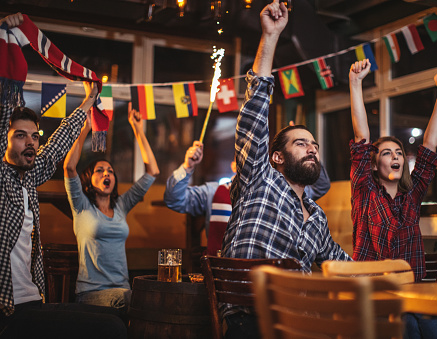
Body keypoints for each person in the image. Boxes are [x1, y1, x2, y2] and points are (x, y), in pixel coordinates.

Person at [221, 1, 352, 337]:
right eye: (300, 143)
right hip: (251, 318)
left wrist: (389, 275)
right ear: (276, 157)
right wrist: (271, 36)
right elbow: (254, 110)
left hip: (303, 321)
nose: (312, 148)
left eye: (315, 145)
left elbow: (344, 265)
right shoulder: (260, 181)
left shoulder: (318, 217)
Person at [0, 13, 127, 339]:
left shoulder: (29, 177)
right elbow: (3, 109)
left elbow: (57, 145)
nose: (30, 142)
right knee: (109, 328)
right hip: (8, 311)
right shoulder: (1, 178)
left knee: (113, 323)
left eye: (34, 136)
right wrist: (6, 39)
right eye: (19, 136)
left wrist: (89, 99)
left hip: (34, 302)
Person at [349, 58, 437, 339]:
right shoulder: (365, 191)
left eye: (398, 153)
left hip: (414, 291)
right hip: (376, 293)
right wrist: (356, 83)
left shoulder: (412, 195)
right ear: (372, 164)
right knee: (408, 329)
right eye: (386, 153)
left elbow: (429, 146)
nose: (395, 157)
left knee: (435, 332)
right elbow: (361, 138)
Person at [63, 103, 159, 314]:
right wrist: (85, 130)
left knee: (149, 304)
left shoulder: (121, 205)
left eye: (110, 171)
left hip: (123, 291)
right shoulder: (81, 205)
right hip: (91, 294)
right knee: (139, 306)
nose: (107, 174)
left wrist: (138, 130)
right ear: (88, 181)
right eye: (100, 171)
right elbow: (69, 167)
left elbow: (152, 170)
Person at [164, 138, 332, 256]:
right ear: (233, 166)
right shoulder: (212, 192)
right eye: (243, 161)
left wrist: (307, 154)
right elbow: (174, 199)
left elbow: (321, 186)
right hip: (219, 271)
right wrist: (187, 166)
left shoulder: (278, 194)